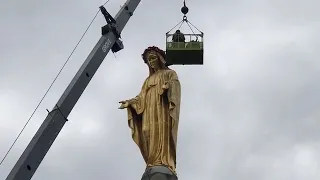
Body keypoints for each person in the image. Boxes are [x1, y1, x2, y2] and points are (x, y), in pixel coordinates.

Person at [118, 46, 181, 175]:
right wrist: (130, 102)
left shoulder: (169, 73)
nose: (151, 62)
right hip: (149, 109)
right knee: (147, 131)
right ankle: (152, 161)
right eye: (148, 61)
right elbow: (141, 97)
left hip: (162, 108)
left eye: (153, 58)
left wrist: (168, 87)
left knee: (161, 132)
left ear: (160, 58)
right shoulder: (148, 80)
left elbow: (175, 84)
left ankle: (163, 161)